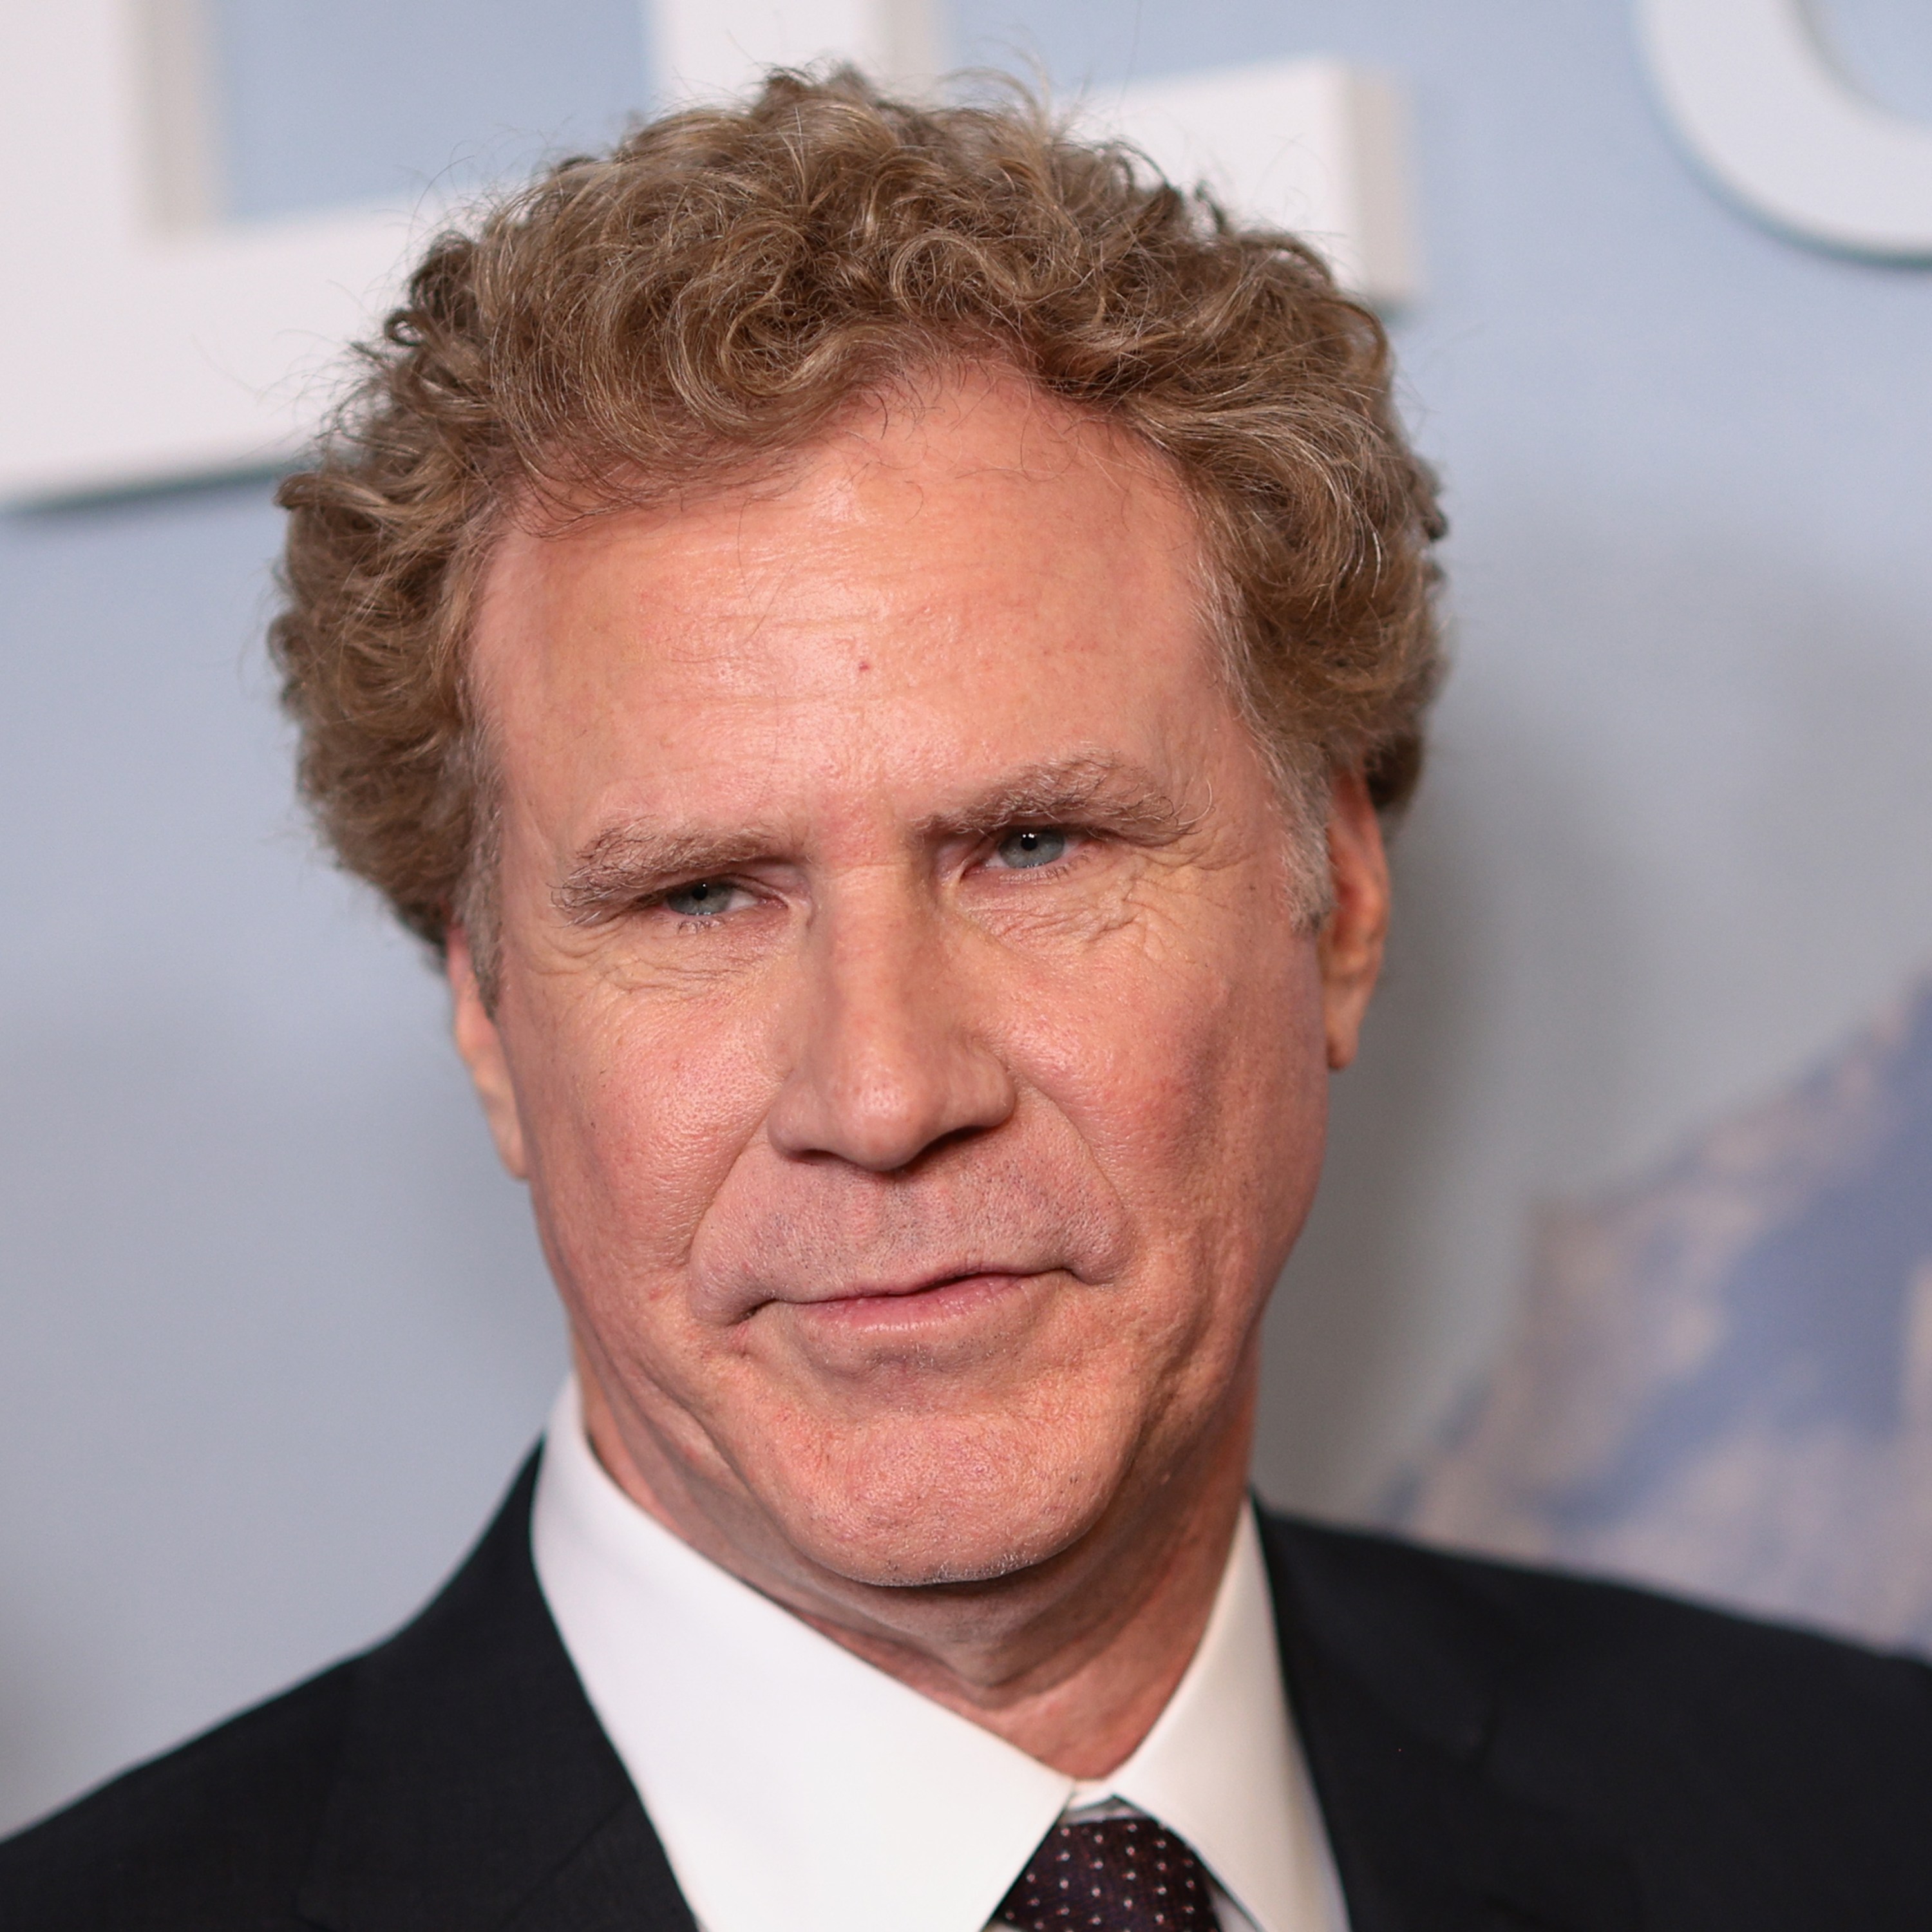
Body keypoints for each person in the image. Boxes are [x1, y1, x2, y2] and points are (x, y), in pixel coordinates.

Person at [5, 70, 1928, 1932]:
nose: (886, 1086)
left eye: (1031, 849)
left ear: (1334, 897)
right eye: (698, 896)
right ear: (493, 1021)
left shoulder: (1859, 1827)